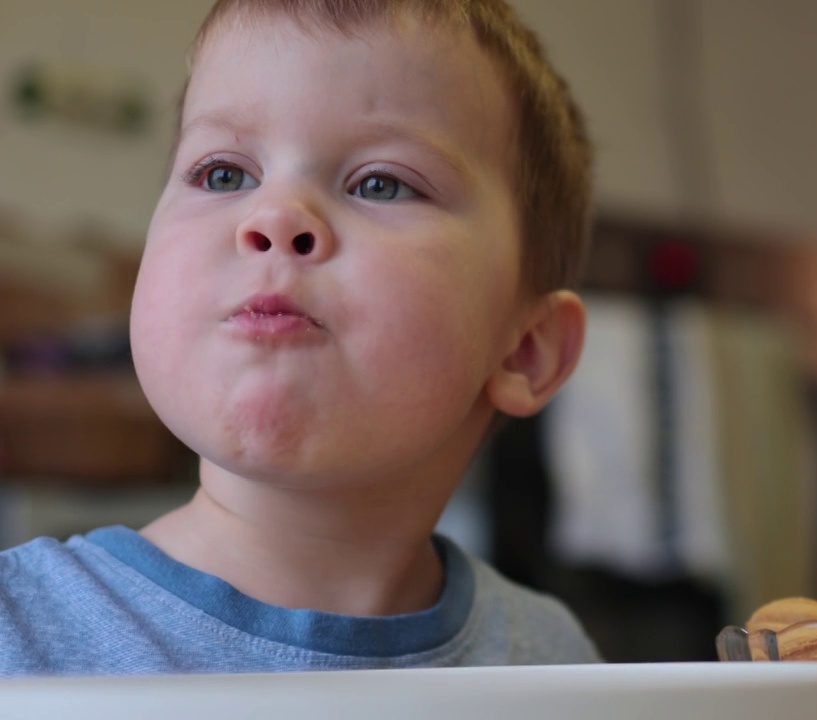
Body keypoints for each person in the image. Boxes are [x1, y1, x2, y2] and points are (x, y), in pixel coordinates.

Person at [0, 0, 598, 676]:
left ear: (525, 351)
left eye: (380, 183)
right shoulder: (16, 635)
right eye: (223, 174)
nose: (275, 216)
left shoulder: (554, 666)